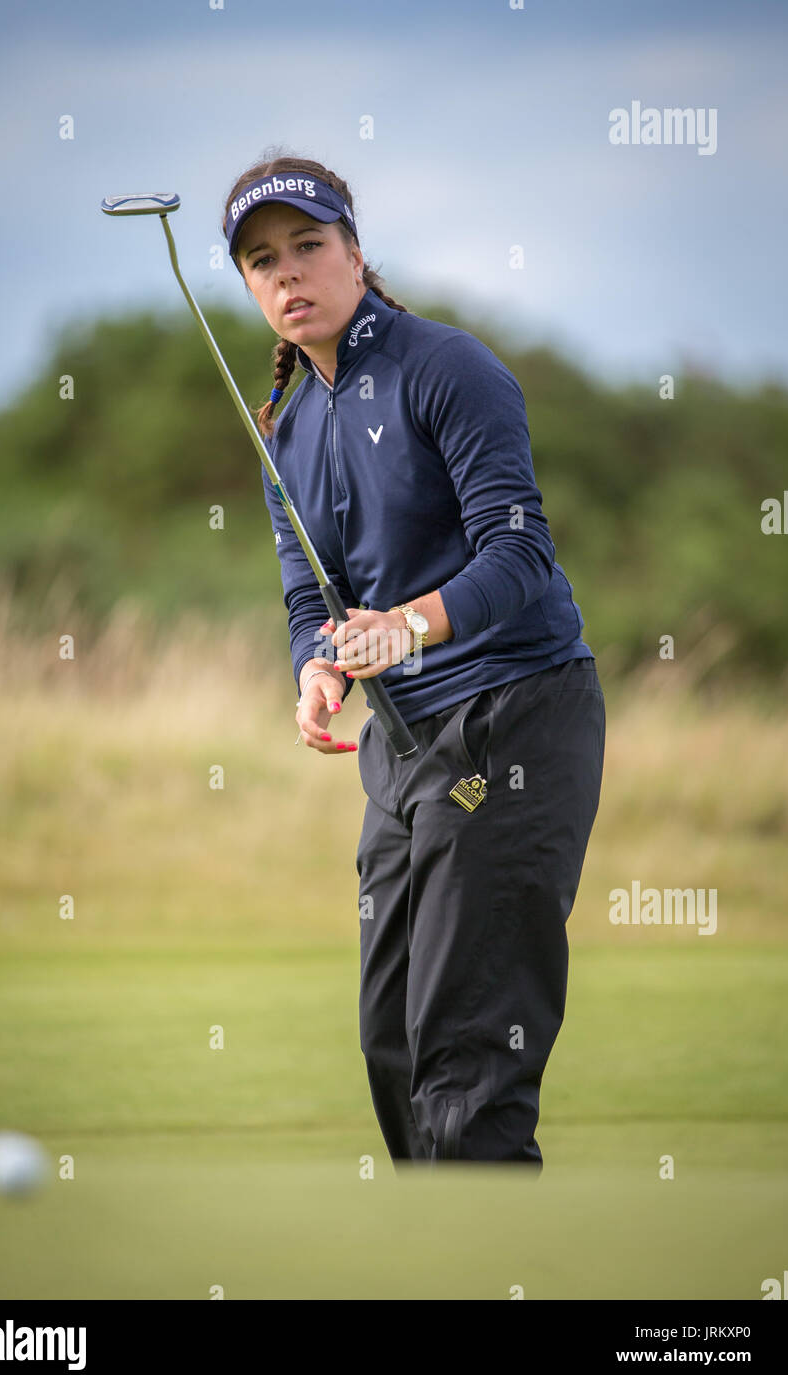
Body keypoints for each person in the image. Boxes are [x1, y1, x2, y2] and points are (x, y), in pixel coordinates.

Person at [223, 152, 606, 1168]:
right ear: (249, 288)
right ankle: (441, 1262)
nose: (289, 274)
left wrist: (408, 625)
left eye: (308, 246)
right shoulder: (283, 428)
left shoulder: (446, 367)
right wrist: (319, 663)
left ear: (354, 252)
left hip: (511, 717)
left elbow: (519, 553)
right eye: (263, 262)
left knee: (464, 1043)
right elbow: (313, 594)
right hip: (399, 747)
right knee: (388, 1038)